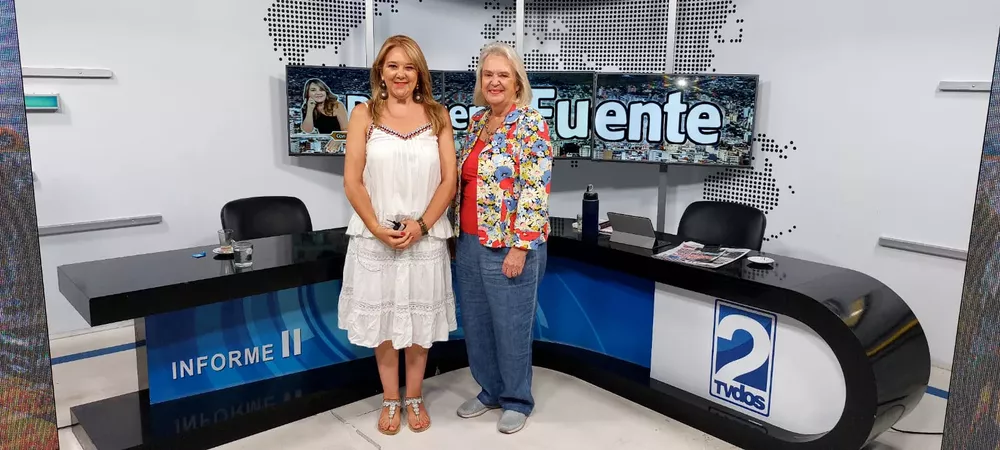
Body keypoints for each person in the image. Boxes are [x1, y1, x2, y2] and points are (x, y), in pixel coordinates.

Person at [339, 35, 457, 435]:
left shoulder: (438, 115)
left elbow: (449, 181)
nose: (401, 74)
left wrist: (421, 225)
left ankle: (415, 396)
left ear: (419, 73)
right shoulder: (363, 114)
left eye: (409, 66)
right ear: (381, 72)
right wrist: (376, 227)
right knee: (385, 322)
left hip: (425, 237)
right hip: (376, 239)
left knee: (420, 324)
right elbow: (352, 181)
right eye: (393, 66)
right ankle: (391, 398)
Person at [453, 41, 553, 434]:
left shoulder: (530, 123)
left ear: (517, 83)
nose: (494, 81)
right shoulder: (477, 122)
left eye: (503, 75)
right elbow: (465, 182)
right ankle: (490, 390)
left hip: (510, 246)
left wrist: (521, 246)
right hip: (469, 241)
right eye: (488, 74)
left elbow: (535, 188)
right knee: (477, 324)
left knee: (511, 327)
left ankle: (516, 400)